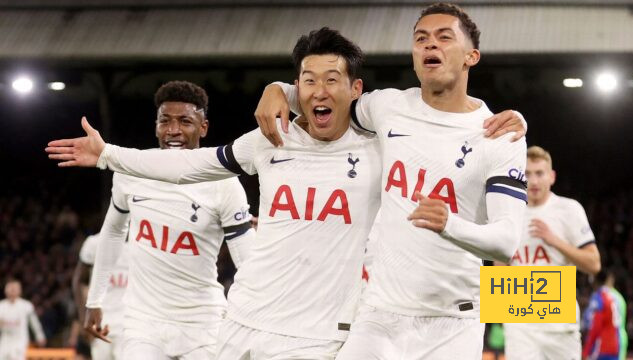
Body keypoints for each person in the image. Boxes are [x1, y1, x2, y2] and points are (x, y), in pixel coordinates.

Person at [46, 28, 523, 358]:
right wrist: (108, 153)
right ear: (297, 88)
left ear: (355, 89)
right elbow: (190, 164)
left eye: (332, 81)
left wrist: (500, 124)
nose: (320, 91)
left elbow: (442, 131)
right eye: (308, 81)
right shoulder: (269, 141)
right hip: (240, 321)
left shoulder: (382, 147)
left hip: (318, 339)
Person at [255, 3, 528, 358]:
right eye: (421, 39)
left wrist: (450, 225)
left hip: (452, 321)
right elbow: (329, 98)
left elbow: (506, 242)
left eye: (444, 37)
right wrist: (276, 88)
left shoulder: (499, 135)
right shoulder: (386, 107)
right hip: (379, 313)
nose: (431, 45)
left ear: (471, 56)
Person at [81, 81, 255, 359]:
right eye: (165, 121)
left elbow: (246, 261)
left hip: (202, 321)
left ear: (203, 127)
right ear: (156, 126)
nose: (173, 130)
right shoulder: (131, 171)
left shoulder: (224, 183)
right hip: (143, 321)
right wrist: (95, 299)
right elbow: (112, 233)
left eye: (185, 121)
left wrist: (256, 312)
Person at [499, 145, 601, 360]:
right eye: (527, 174)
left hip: (560, 323)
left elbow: (594, 264)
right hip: (519, 322)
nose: (534, 181)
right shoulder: (508, 212)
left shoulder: (569, 209)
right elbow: (500, 267)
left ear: (551, 177)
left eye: (539, 173)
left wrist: (554, 240)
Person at [72, 233, 128, 360]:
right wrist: (82, 319)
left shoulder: (138, 245)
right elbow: (78, 280)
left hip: (127, 325)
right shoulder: (93, 243)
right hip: (100, 325)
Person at [582, 270, 627, 360]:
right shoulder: (618, 297)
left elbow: (594, 324)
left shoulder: (599, 297)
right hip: (618, 340)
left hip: (602, 344)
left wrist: (586, 350)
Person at [0, 279, 46, 360]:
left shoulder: (26, 306)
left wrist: (40, 336)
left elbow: (34, 323)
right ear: (5, 290)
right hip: (5, 340)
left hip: (20, 340)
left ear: (19, 290)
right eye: (10, 288)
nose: (12, 290)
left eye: (15, 288)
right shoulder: (1, 306)